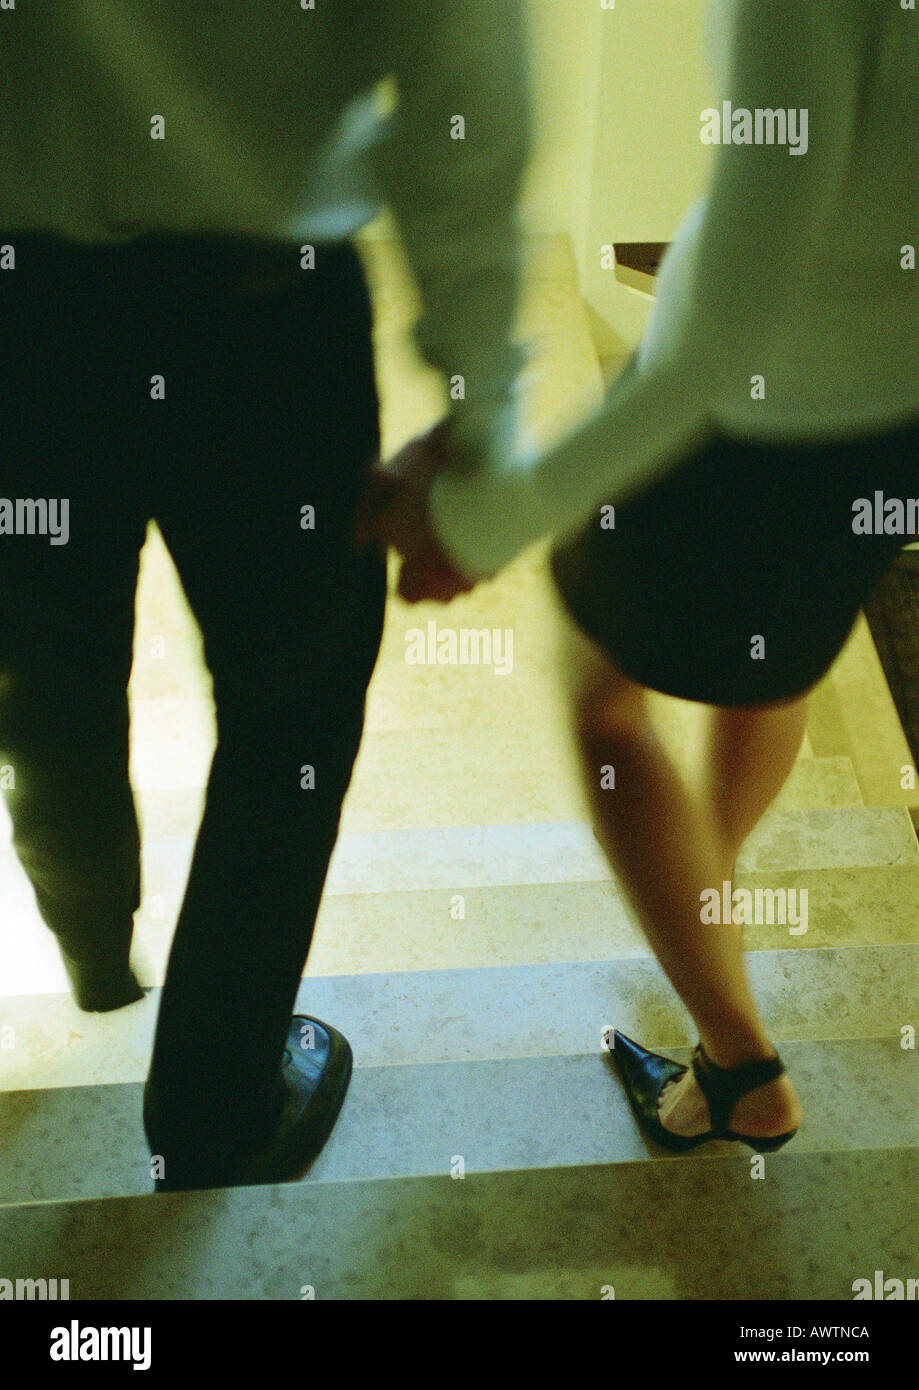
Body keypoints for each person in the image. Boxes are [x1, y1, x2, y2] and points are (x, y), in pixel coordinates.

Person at [0, 1, 530, 1191]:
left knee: (43, 668)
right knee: (290, 714)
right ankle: (215, 1107)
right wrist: (482, 405)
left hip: (17, 306)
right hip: (264, 323)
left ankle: (91, 947)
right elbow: (464, 103)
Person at [372, 0, 919, 1152]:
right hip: (890, 422)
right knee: (771, 664)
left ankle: (741, 1069)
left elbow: (728, 328)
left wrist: (494, 515)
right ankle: (704, 903)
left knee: (598, 699)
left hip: (739, 424)